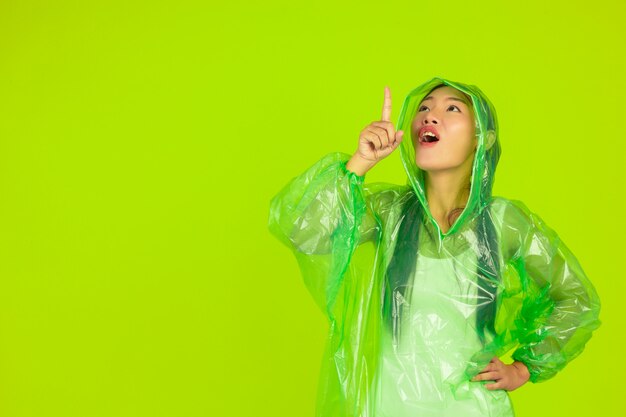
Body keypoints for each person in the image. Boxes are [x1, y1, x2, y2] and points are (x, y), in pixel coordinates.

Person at [267, 76, 601, 417]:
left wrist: (524, 367)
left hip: (473, 409)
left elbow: (576, 298)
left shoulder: (505, 222)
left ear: (481, 139)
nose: (429, 116)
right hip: (388, 406)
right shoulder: (389, 212)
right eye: (423, 109)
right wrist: (359, 164)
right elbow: (303, 232)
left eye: (451, 108)